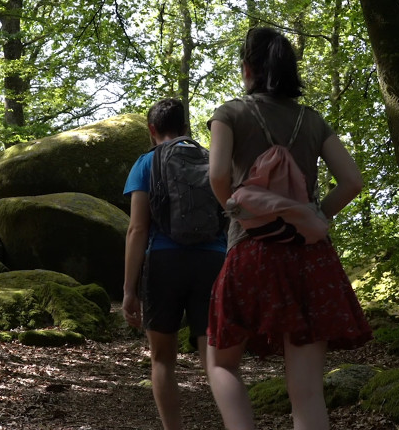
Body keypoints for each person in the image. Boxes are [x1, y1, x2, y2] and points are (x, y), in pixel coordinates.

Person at [205, 27, 371, 430]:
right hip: (310, 257)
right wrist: (313, 216)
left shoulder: (230, 113)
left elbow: (217, 176)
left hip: (252, 252)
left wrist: (242, 212)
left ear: (248, 68)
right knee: (308, 391)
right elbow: (352, 181)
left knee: (222, 363)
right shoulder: (312, 121)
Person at [122, 98, 227, 430]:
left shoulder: (146, 163)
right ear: (186, 128)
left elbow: (137, 228)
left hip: (164, 262)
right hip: (212, 260)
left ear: (152, 130)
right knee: (215, 360)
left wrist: (129, 289)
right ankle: (235, 421)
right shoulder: (212, 160)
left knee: (162, 358)